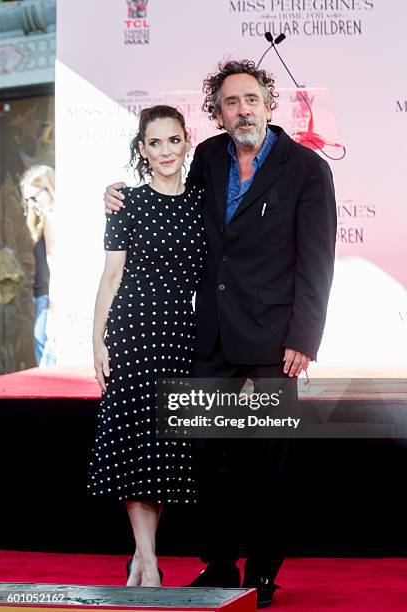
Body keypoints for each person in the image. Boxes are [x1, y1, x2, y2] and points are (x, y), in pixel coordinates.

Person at [104, 60, 337, 607]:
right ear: (218, 112)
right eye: (230, 103)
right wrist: (118, 194)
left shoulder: (306, 168)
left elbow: (317, 260)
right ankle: (219, 561)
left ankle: (262, 568)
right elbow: (169, 200)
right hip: (210, 335)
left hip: (276, 340)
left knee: (269, 458)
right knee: (209, 454)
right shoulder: (207, 157)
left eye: (250, 99)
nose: (242, 110)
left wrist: (304, 336)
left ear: (268, 103)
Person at [88, 105, 206, 588]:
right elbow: (111, 275)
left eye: (173, 141)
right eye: (154, 143)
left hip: (181, 337)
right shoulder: (127, 203)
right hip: (133, 332)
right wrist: (97, 338)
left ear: (186, 144)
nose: (165, 151)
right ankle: (150, 560)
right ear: (142, 150)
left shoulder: (202, 201)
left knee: (163, 450)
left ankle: (141, 559)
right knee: (137, 444)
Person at [20, 164, 56, 367]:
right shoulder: (46, 219)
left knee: (48, 362)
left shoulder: (53, 217)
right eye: (28, 200)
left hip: (50, 299)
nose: (32, 204)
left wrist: (54, 309)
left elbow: (56, 263)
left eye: (34, 197)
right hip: (43, 295)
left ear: (49, 188)